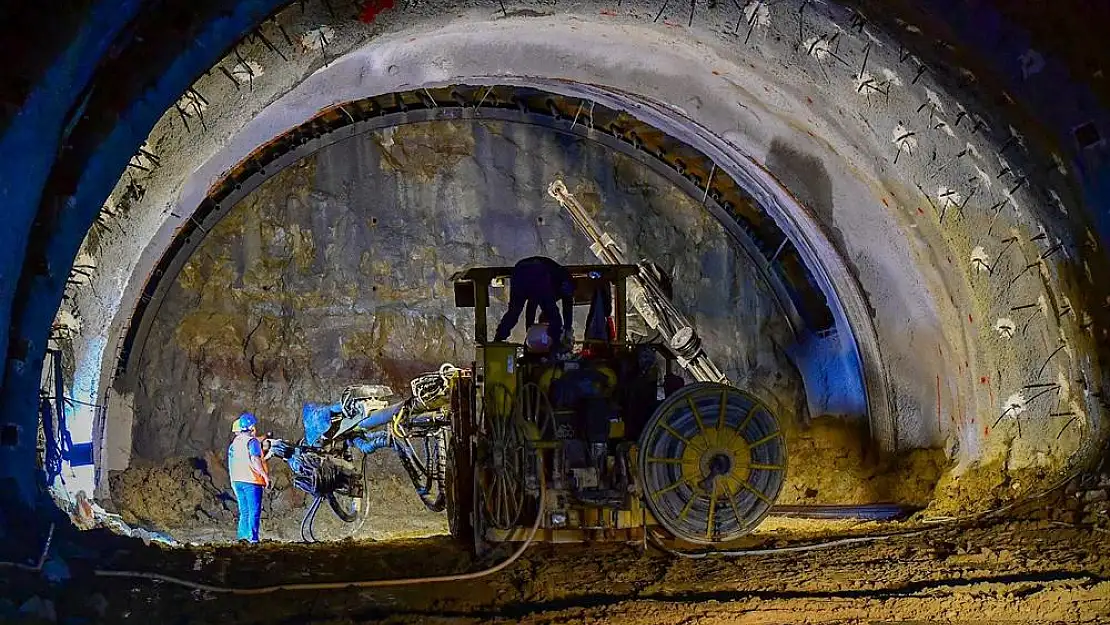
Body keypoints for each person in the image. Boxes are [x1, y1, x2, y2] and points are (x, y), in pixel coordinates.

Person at [494, 256, 574, 352]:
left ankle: (497, 341)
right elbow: (567, 308)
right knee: (554, 317)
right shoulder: (566, 282)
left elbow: (532, 306)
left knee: (514, 312)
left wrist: (529, 333)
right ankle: (555, 350)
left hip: (519, 270)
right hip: (538, 270)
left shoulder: (555, 279)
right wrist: (567, 329)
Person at [227, 412, 270, 543]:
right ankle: (253, 540)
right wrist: (264, 475)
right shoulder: (252, 442)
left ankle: (242, 539)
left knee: (244, 512)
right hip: (251, 481)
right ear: (251, 427)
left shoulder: (235, 443)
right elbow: (255, 459)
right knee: (254, 512)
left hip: (237, 481)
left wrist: (266, 437)